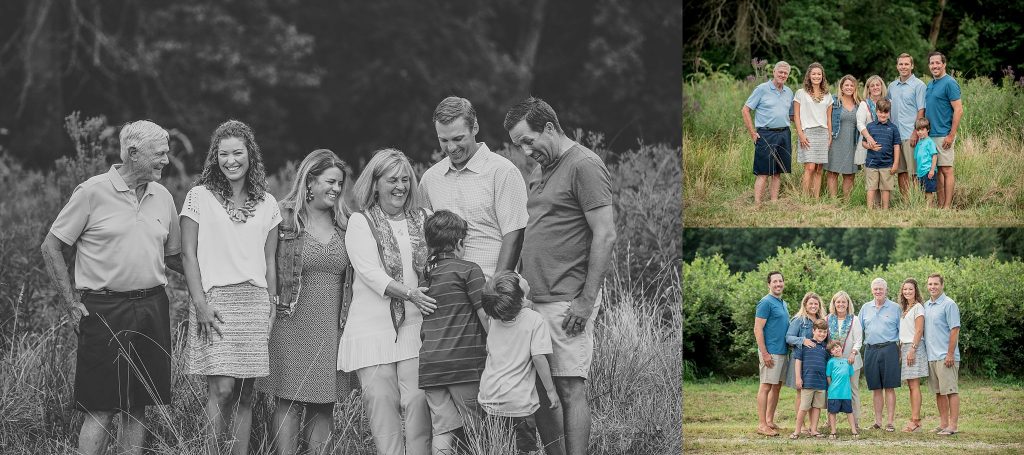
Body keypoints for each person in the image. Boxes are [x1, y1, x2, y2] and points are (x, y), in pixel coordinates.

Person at [40, 120, 182, 455]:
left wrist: (209, 288)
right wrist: (72, 304)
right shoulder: (91, 192)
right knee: (102, 406)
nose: (166, 160)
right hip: (104, 310)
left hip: (152, 307)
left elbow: (175, 258)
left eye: (167, 152)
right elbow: (51, 247)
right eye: (159, 153)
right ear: (134, 152)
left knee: (139, 405)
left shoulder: (162, 196)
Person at [503, 96, 616, 455]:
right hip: (533, 300)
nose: (525, 150)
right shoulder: (540, 169)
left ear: (549, 127)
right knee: (541, 390)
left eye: (528, 140)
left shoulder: (584, 164)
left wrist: (585, 301)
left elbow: (605, 233)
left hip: (567, 299)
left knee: (568, 388)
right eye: (518, 144)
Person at [181, 119, 281, 455]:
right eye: (223, 154)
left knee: (245, 394)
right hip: (216, 301)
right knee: (222, 389)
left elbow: (269, 261)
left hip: (254, 302)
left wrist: (271, 304)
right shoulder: (199, 197)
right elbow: (188, 254)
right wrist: (200, 303)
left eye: (238, 152)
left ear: (250, 155)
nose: (231, 160)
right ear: (215, 157)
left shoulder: (268, 203)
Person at [337, 148, 435, 455]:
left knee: (419, 401)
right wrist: (409, 293)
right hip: (372, 330)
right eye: (392, 179)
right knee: (382, 408)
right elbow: (370, 273)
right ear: (375, 183)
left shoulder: (425, 219)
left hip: (417, 328)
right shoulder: (360, 222)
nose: (401, 187)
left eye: (405, 179)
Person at [257, 149, 353, 455]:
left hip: (331, 326)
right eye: (330, 182)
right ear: (310, 181)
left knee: (324, 403)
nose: (336, 189)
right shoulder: (283, 218)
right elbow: (261, 261)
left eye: (340, 183)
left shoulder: (347, 224)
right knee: (288, 400)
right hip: (290, 321)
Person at [420, 96, 529, 280]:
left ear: (475, 128)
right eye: (443, 140)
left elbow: (515, 235)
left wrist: (495, 291)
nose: (451, 147)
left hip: (490, 289)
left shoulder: (502, 172)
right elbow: (423, 240)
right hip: (446, 295)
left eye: (458, 138)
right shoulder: (430, 179)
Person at [418, 210, 490, 454]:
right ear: (460, 243)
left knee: (443, 429)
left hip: (431, 365)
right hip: (464, 365)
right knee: (477, 428)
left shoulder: (425, 277)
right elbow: (484, 315)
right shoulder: (469, 270)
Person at [478, 271, 564, 455]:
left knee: (496, 448)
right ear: (520, 293)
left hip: (489, 398)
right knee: (524, 450)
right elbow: (539, 357)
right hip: (518, 404)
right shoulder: (535, 320)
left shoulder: (494, 320)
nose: (521, 275)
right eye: (519, 278)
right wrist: (550, 390)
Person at [742, 61, 794, 205]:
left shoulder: (789, 92)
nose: (782, 75)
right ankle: (757, 203)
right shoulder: (762, 89)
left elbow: (792, 116)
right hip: (766, 134)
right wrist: (752, 132)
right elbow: (745, 109)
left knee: (777, 172)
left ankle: (774, 202)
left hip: (784, 134)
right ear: (774, 72)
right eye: (780, 72)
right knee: (763, 172)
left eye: (785, 73)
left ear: (788, 75)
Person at [859, 277, 901, 432]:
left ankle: (890, 422)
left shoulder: (895, 308)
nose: (878, 291)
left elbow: (901, 332)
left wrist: (901, 351)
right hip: (870, 350)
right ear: (872, 290)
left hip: (889, 349)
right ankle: (877, 422)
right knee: (876, 388)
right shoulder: (865, 308)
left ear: (886, 290)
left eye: (880, 289)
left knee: (889, 387)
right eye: (875, 289)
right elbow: (859, 331)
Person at [924, 52, 964, 209]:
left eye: (937, 63)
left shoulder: (950, 83)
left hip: (944, 134)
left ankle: (947, 206)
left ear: (944, 64)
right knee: (937, 171)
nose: (934, 66)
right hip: (930, 135)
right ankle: (940, 205)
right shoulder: (930, 84)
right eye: (932, 63)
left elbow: (958, 110)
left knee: (946, 170)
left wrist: (951, 135)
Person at [753, 271, 789, 437]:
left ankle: (769, 421)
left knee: (776, 387)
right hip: (771, 352)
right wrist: (764, 353)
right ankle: (761, 425)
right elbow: (758, 328)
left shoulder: (783, 303)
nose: (778, 284)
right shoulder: (765, 302)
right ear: (769, 284)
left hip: (782, 351)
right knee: (766, 386)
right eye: (774, 282)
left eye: (780, 281)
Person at [924, 273, 961, 435]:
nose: (932, 287)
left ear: (942, 285)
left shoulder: (949, 304)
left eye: (936, 284)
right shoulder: (926, 305)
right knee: (939, 392)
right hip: (931, 357)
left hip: (946, 356)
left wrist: (950, 354)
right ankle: (943, 423)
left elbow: (955, 330)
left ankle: (953, 426)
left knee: (951, 391)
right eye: (930, 284)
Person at [888, 53, 927, 199]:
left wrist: (915, 132)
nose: (903, 67)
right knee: (901, 171)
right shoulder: (892, 86)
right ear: (897, 66)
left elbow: (921, 110)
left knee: (914, 172)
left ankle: (916, 201)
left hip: (911, 135)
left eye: (906, 64)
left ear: (912, 66)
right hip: (896, 136)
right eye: (901, 64)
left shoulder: (919, 85)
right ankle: (906, 201)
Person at [785, 292, 825, 433]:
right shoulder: (799, 320)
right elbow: (789, 337)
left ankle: (812, 426)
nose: (813, 306)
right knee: (801, 393)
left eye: (816, 304)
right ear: (805, 305)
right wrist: (803, 340)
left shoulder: (821, 320)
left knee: (814, 395)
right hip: (800, 361)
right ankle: (800, 426)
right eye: (811, 304)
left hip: (815, 364)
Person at [793, 62, 833, 199]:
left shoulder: (827, 95)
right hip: (807, 132)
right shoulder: (800, 93)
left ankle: (815, 199)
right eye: (814, 74)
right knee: (809, 167)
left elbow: (829, 118)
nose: (816, 76)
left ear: (823, 76)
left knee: (819, 168)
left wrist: (830, 136)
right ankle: (805, 198)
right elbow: (796, 116)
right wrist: (801, 134)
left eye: (819, 74)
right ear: (809, 76)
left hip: (823, 133)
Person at [827, 290, 863, 431]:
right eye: (838, 302)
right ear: (834, 304)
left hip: (851, 361)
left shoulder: (854, 319)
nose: (841, 304)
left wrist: (853, 353)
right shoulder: (828, 319)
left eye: (843, 302)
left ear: (848, 304)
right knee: (831, 389)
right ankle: (829, 421)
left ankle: (856, 421)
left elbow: (859, 340)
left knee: (853, 390)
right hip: (834, 363)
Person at [790, 319, 830, 439]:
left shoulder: (825, 348)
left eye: (824, 332)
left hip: (821, 383)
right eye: (819, 331)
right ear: (813, 331)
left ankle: (814, 429)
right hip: (807, 382)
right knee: (804, 407)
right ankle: (797, 430)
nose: (822, 334)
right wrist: (798, 378)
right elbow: (798, 362)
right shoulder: (805, 345)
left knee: (817, 407)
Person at [897, 278, 928, 433]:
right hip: (906, 347)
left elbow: (919, 330)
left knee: (914, 385)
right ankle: (914, 419)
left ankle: (916, 421)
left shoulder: (918, 308)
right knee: (911, 385)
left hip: (914, 347)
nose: (907, 291)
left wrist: (912, 349)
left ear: (916, 290)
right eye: (905, 289)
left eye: (910, 289)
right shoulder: (905, 308)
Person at [861, 99, 901, 209]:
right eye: (880, 112)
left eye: (886, 112)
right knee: (871, 187)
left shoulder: (893, 128)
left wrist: (896, 163)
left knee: (886, 188)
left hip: (887, 164)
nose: (883, 114)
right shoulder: (870, 126)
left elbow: (897, 146)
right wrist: (869, 146)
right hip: (871, 163)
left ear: (889, 113)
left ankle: (885, 209)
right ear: (876, 111)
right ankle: (869, 209)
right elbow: (864, 142)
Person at [826, 75, 861, 199]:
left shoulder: (859, 103)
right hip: (835, 140)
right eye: (846, 85)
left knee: (849, 174)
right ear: (841, 87)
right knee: (832, 172)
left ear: (855, 87)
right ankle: (834, 201)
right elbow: (826, 119)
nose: (849, 87)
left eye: (852, 85)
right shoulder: (834, 101)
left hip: (852, 142)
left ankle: (847, 201)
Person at [825, 340, 859, 439]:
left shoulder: (848, 362)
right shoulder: (830, 362)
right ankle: (833, 431)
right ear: (831, 352)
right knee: (832, 412)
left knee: (849, 411)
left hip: (846, 393)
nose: (836, 349)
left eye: (837, 347)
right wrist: (831, 387)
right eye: (833, 348)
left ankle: (853, 430)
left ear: (841, 348)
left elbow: (849, 375)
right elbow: (828, 376)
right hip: (834, 393)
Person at [855, 75, 888, 168]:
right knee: (870, 176)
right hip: (868, 142)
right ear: (868, 89)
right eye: (872, 86)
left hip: (884, 141)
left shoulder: (888, 102)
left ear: (882, 86)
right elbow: (860, 123)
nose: (875, 87)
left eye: (877, 85)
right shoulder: (864, 104)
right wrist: (869, 138)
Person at [913, 118, 940, 207]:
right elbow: (917, 158)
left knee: (929, 191)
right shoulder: (919, 143)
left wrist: (932, 170)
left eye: (922, 130)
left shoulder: (929, 142)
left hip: (928, 171)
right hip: (921, 172)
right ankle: (927, 206)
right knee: (924, 190)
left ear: (927, 130)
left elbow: (934, 156)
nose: (920, 132)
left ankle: (929, 208)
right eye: (918, 130)